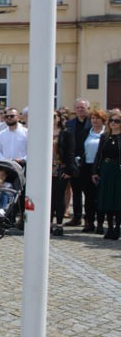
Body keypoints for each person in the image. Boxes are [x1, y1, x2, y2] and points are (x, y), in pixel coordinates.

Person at [94, 110, 121, 240]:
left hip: (118, 170)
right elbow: (99, 155)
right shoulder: (104, 137)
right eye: (111, 121)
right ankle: (109, 227)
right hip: (106, 170)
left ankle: (117, 228)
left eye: (117, 121)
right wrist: (95, 171)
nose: (113, 123)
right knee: (107, 200)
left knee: (117, 200)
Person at [65, 98, 92, 227]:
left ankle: (89, 218)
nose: (80, 110)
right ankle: (76, 217)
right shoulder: (70, 124)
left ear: (88, 109)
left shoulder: (92, 123)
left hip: (88, 162)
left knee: (89, 192)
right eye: (78, 108)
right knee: (76, 192)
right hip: (74, 161)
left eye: (82, 107)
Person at [51, 110, 76, 235]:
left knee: (59, 197)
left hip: (61, 167)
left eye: (54, 116)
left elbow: (70, 153)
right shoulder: (43, 131)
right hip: (46, 169)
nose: (52, 118)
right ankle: (48, 223)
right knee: (48, 198)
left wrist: (69, 170)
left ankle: (59, 224)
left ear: (59, 118)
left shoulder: (66, 133)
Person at [82, 109, 107, 234]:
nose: (95, 120)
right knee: (88, 196)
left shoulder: (106, 134)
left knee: (100, 196)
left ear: (103, 120)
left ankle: (100, 223)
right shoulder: (87, 132)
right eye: (92, 118)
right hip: (87, 166)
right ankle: (89, 221)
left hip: (101, 167)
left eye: (97, 118)